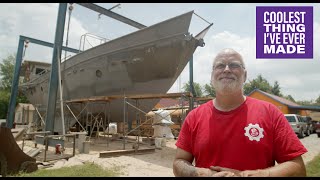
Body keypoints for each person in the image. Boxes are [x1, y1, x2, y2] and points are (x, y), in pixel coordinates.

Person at [172, 48, 308, 177]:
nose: (226, 69)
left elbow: (298, 168)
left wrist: (260, 174)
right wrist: (203, 174)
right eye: (220, 66)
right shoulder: (194, 117)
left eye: (234, 65)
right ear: (212, 75)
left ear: (245, 75)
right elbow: (179, 162)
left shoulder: (270, 113)